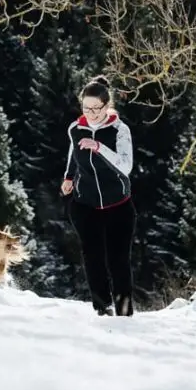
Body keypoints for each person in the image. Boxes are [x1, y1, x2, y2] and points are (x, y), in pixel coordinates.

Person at [61, 74, 135, 316]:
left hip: (118, 206)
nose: (91, 113)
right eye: (86, 108)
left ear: (107, 105)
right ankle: (103, 310)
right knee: (93, 260)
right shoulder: (76, 129)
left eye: (96, 108)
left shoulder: (119, 130)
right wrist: (68, 179)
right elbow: (73, 157)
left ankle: (124, 312)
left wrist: (100, 147)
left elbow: (125, 167)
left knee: (118, 261)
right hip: (86, 206)